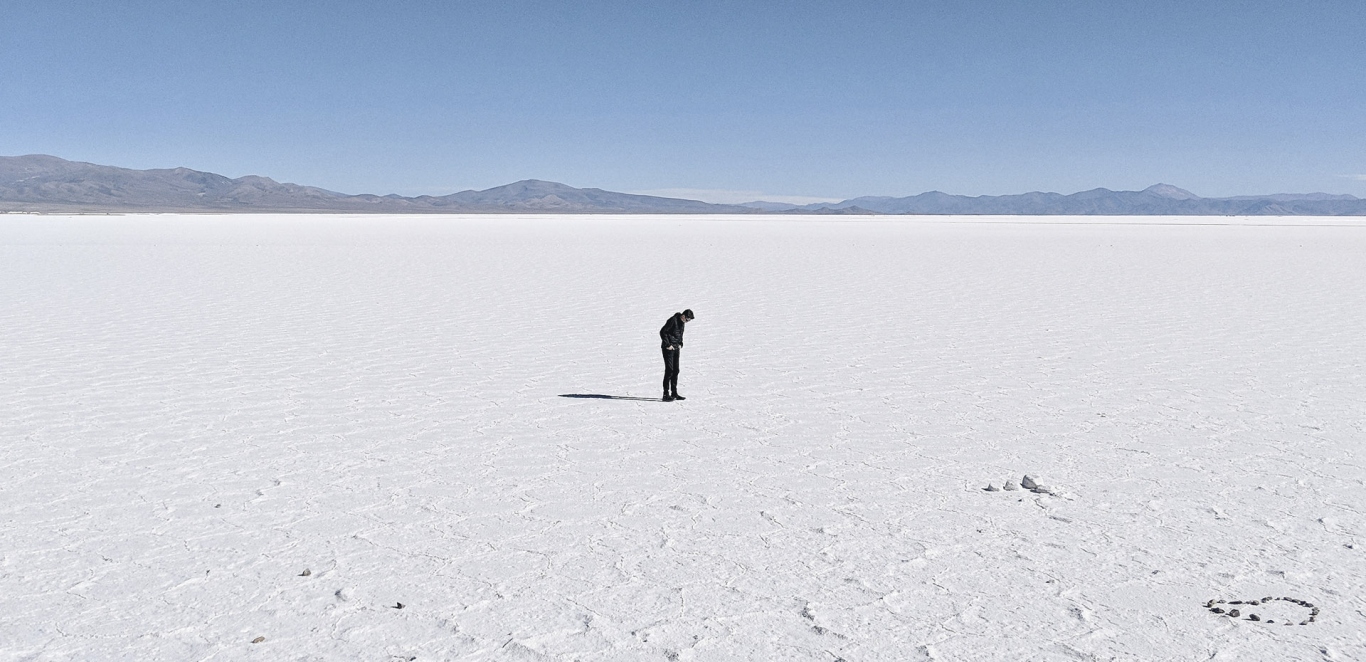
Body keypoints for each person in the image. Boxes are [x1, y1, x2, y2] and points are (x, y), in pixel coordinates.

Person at [659, 309, 694, 401]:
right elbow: (663, 332)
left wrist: (680, 343)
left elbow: (679, 334)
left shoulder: (682, 323)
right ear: (683, 315)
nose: (687, 321)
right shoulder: (673, 320)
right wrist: (668, 344)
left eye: (689, 320)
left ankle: (674, 393)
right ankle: (665, 394)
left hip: (676, 348)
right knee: (669, 370)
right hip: (668, 348)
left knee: (676, 370)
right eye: (687, 319)